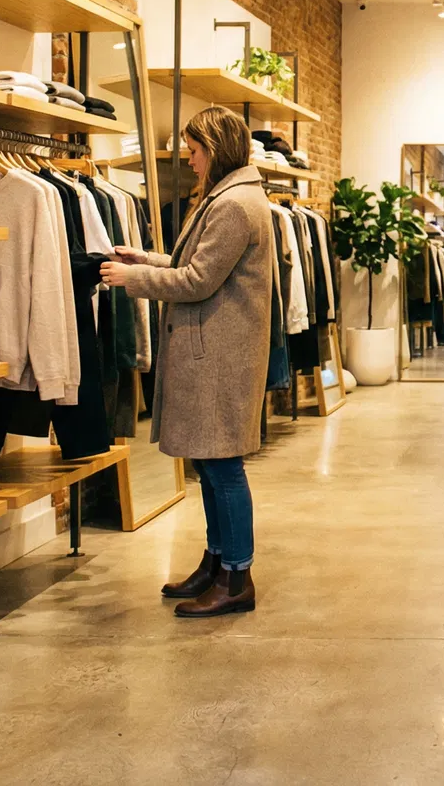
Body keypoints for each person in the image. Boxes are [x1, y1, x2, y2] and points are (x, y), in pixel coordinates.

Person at [101, 105, 274, 618]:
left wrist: (131, 281)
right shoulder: (230, 198)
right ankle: (217, 562)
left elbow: (197, 282)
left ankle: (237, 575)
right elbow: (191, 265)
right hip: (214, 352)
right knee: (210, 462)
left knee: (223, 467)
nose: (190, 161)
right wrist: (145, 259)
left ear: (215, 150)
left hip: (220, 355)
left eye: (195, 151)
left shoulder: (233, 205)